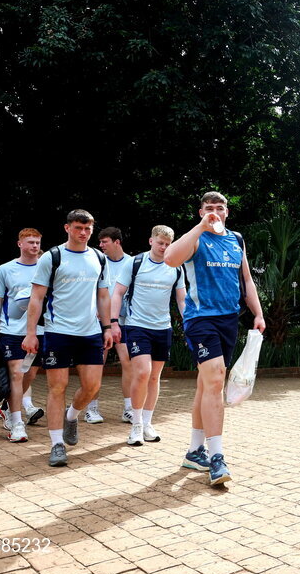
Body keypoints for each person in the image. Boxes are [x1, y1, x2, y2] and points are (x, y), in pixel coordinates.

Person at [164, 192, 265, 486]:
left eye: (219, 209)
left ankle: (195, 451)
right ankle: (217, 457)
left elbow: (246, 280)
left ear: (227, 212)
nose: (215, 213)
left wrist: (257, 313)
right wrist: (201, 226)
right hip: (200, 319)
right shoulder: (196, 239)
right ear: (201, 212)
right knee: (216, 379)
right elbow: (170, 258)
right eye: (209, 209)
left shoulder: (237, 240)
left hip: (229, 320)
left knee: (205, 384)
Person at [23, 209, 113, 467]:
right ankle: (56, 445)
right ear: (67, 228)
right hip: (58, 331)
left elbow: (104, 295)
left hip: (91, 332)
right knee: (57, 387)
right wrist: (31, 333)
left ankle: (71, 416)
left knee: (92, 386)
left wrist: (108, 327)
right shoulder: (52, 257)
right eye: (78, 228)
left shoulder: (98, 257)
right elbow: (37, 298)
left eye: (87, 229)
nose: (83, 233)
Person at [110, 225, 186, 446]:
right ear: (151, 241)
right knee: (143, 372)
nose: (163, 247)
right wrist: (114, 322)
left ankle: (147, 423)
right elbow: (117, 293)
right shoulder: (134, 263)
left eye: (167, 244)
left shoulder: (176, 267)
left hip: (163, 328)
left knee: (155, 377)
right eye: (160, 243)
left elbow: (182, 300)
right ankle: (135, 426)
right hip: (136, 326)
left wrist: (189, 323)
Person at [0, 228, 46, 442]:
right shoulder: (5, 269)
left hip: (41, 331)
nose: (35, 246)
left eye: (37, 242)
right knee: (17, 374)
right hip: (12, 332)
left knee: (29, 375)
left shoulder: (47, 268)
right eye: (30, 242)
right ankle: (17, 424)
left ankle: (8, 406)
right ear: (20, 244)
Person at [93, 226, 135, 424]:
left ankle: (128, 409)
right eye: (100, 242)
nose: (100, 245)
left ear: (117, 242)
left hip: (123, 321)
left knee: (128, 363)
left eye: (104, 242)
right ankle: (92, 409)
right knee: (96, 364)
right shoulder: (97, 262)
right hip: (98, 321)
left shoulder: (132, 263)